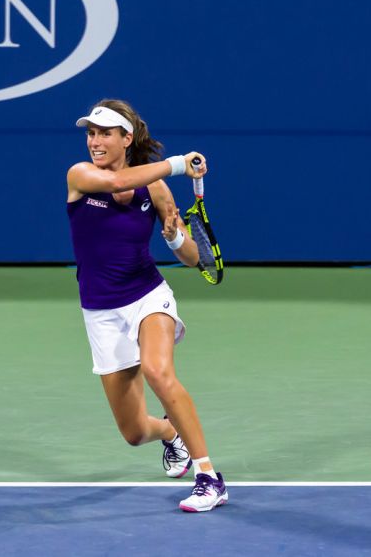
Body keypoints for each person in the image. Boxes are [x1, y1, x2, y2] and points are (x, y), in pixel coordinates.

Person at [66, 99, 228, 513]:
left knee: (158, 370)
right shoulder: (80, 176)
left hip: (147, 296)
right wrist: (176, 164)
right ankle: (170, 433)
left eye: (105, 133)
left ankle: (209, 477)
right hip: (101, 312)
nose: (95, 141)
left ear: (126, 138)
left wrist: (173, 236)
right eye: (91, 133)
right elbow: (118, 180)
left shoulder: (154, 188)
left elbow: (194, 258)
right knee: (135, 432)